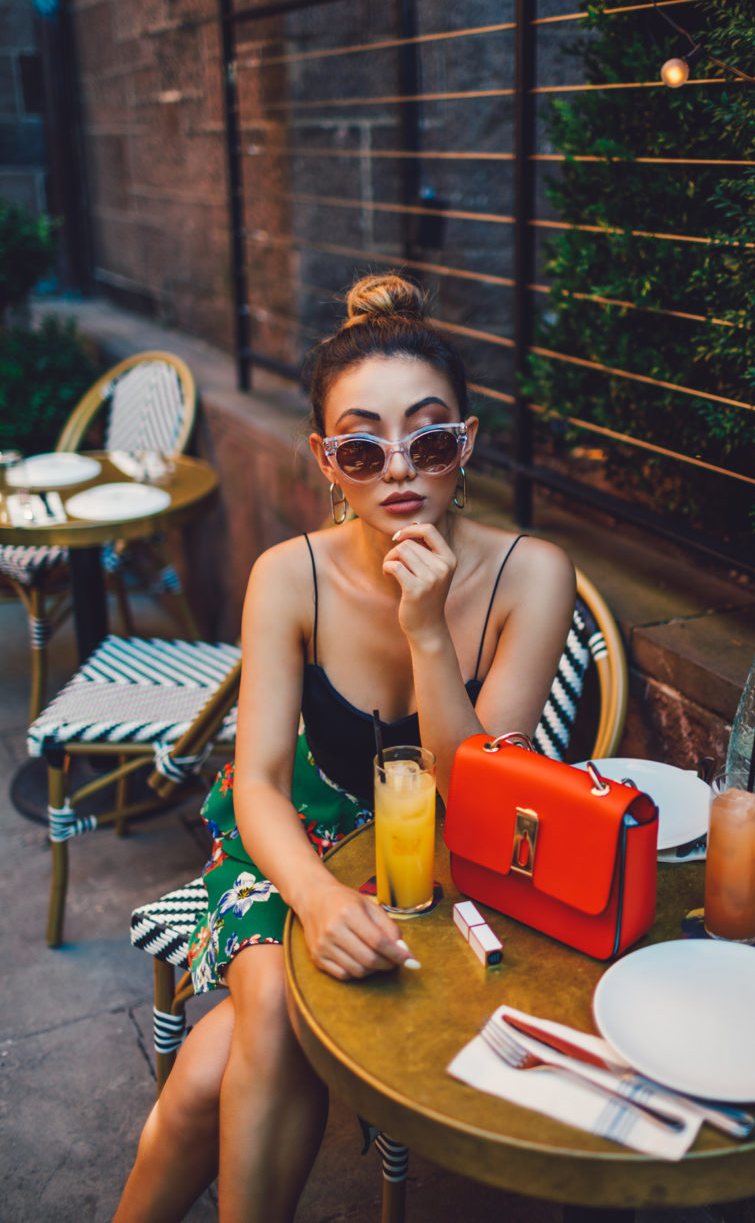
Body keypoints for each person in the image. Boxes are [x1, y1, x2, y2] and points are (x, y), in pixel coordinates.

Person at [112, 273, 575, 1223]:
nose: (399, 469)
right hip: (290, 851)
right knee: (276, 1000)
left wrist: (431, 633)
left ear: (467, 445)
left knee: (207, 1072)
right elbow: (260, 786)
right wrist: (317, 898)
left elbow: (481, 803)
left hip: (444, 869)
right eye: (363, 447)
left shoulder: (533, 576)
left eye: (430, 439)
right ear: (327, 460)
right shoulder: (288, 577)